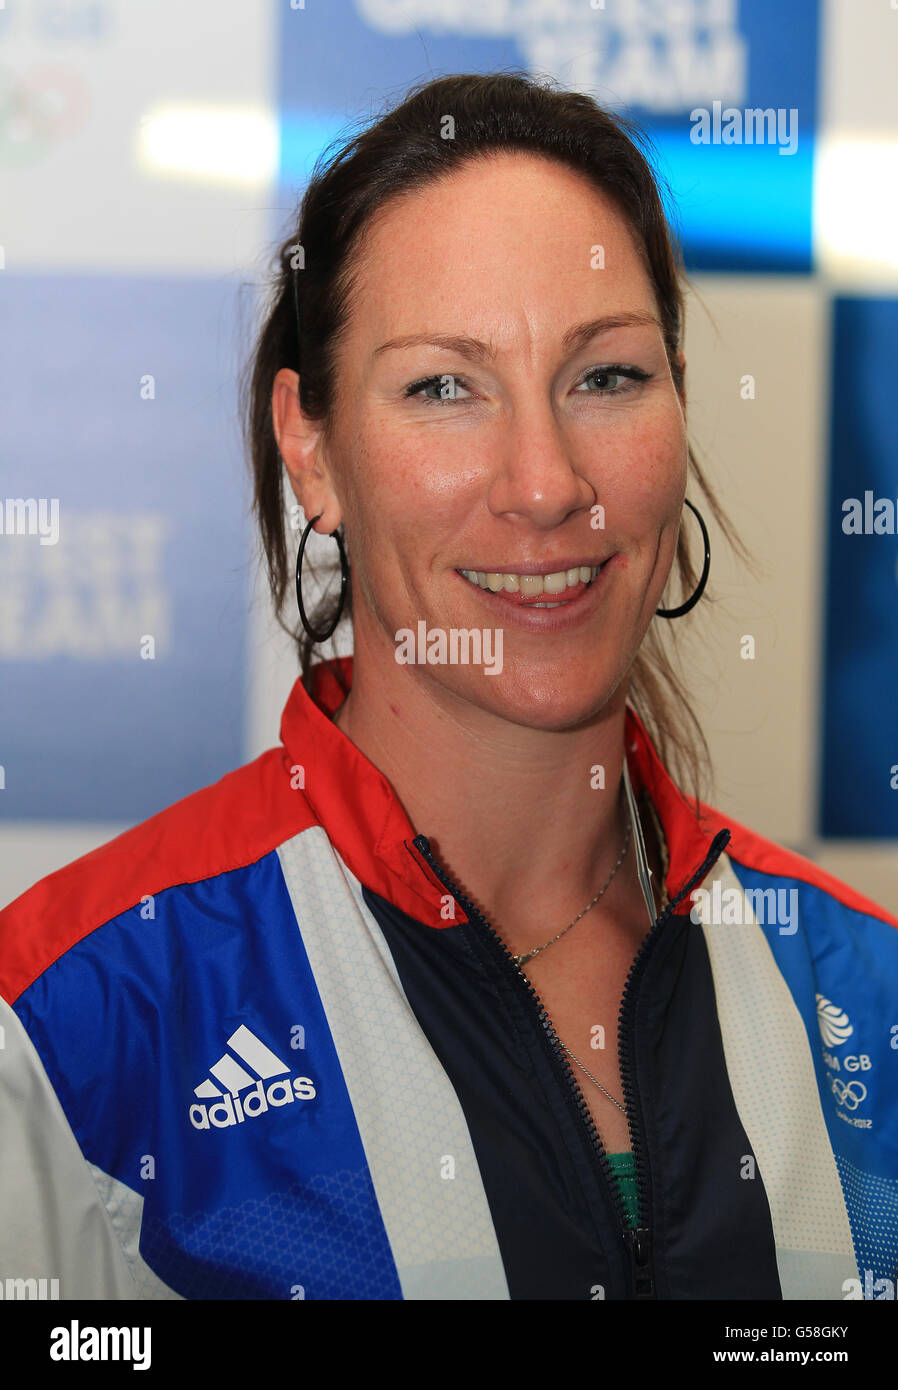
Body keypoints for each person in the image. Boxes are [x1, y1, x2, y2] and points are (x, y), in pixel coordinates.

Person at [1, 71, 896, 1303]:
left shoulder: (861, 988)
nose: (543, 482)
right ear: (308, 447)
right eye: (440, 386)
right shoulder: (73, 1020)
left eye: (607, 376)